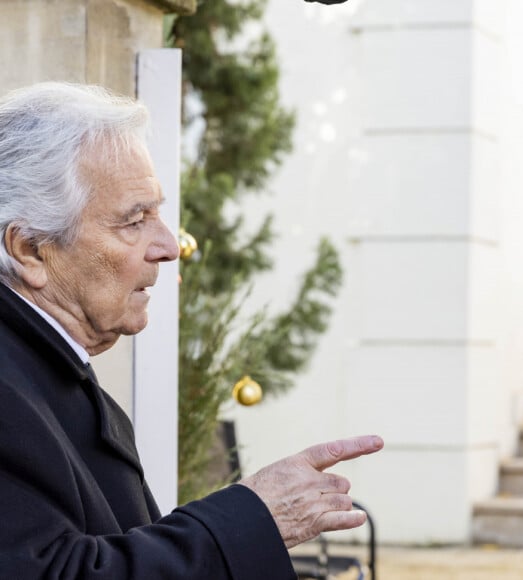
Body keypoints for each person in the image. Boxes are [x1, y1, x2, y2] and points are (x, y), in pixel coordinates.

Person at [0, 82, 383, 579]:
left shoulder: (46, 367)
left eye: (158, 213)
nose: (168, 245)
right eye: (134, 220)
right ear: (30, 248)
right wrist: (253, 518)